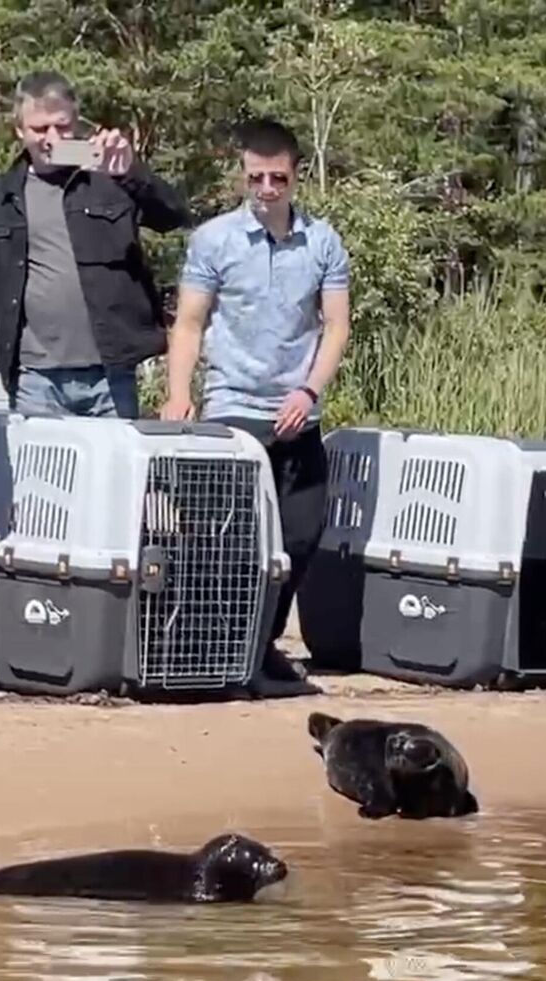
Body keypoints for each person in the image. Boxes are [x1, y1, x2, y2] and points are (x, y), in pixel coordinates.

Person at [161, 118, 351, 684]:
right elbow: (189, 323)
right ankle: (209, 644)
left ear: (297, 177)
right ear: (242, 176)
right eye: (256, 179)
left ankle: (262, 641)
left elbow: (336, 327)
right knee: (227, 538)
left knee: (298, 536)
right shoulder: (215, 239)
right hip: (233, 407)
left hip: (298, 409)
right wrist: (178, 394)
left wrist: (309, 390)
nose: (267, 190)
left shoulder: (322, 241)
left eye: (278, 179)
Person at [0, 70, 191, 419]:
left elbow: (174, 216)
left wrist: (131, 172)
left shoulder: (110, 179)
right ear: (19, 130)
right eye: (39, 128)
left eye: (62, 127)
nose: (51, 138)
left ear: (76, 124)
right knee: (43, 474)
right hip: (35, 377)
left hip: (110, 374)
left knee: (112, 473)